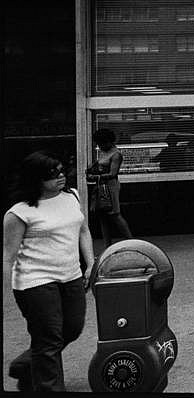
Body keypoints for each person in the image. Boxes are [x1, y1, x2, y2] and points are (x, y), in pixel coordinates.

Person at [3, 151, 95, 392]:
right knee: (49, 339)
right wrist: (6, 293)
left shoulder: (72, 196)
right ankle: (50, 388)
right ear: (35, 180)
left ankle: (26, 365)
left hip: (71, 275)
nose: (61, 177)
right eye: (52, 175)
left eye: (61, 171)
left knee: (72, 328)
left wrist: (91, 263)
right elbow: (8, 257)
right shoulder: (18, 213)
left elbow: (83, 230)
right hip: (35, 281)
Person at [86, 128, 132, 248]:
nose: (99, 146)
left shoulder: (116, 154)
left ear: (108, 142)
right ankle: (107, 245)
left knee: (115, 213)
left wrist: (95, 176)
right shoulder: (103, 153)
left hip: (111, 185)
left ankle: (130, 241)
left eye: (101, 143)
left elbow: (113, 173)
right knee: (103, 216)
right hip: (101, 185)